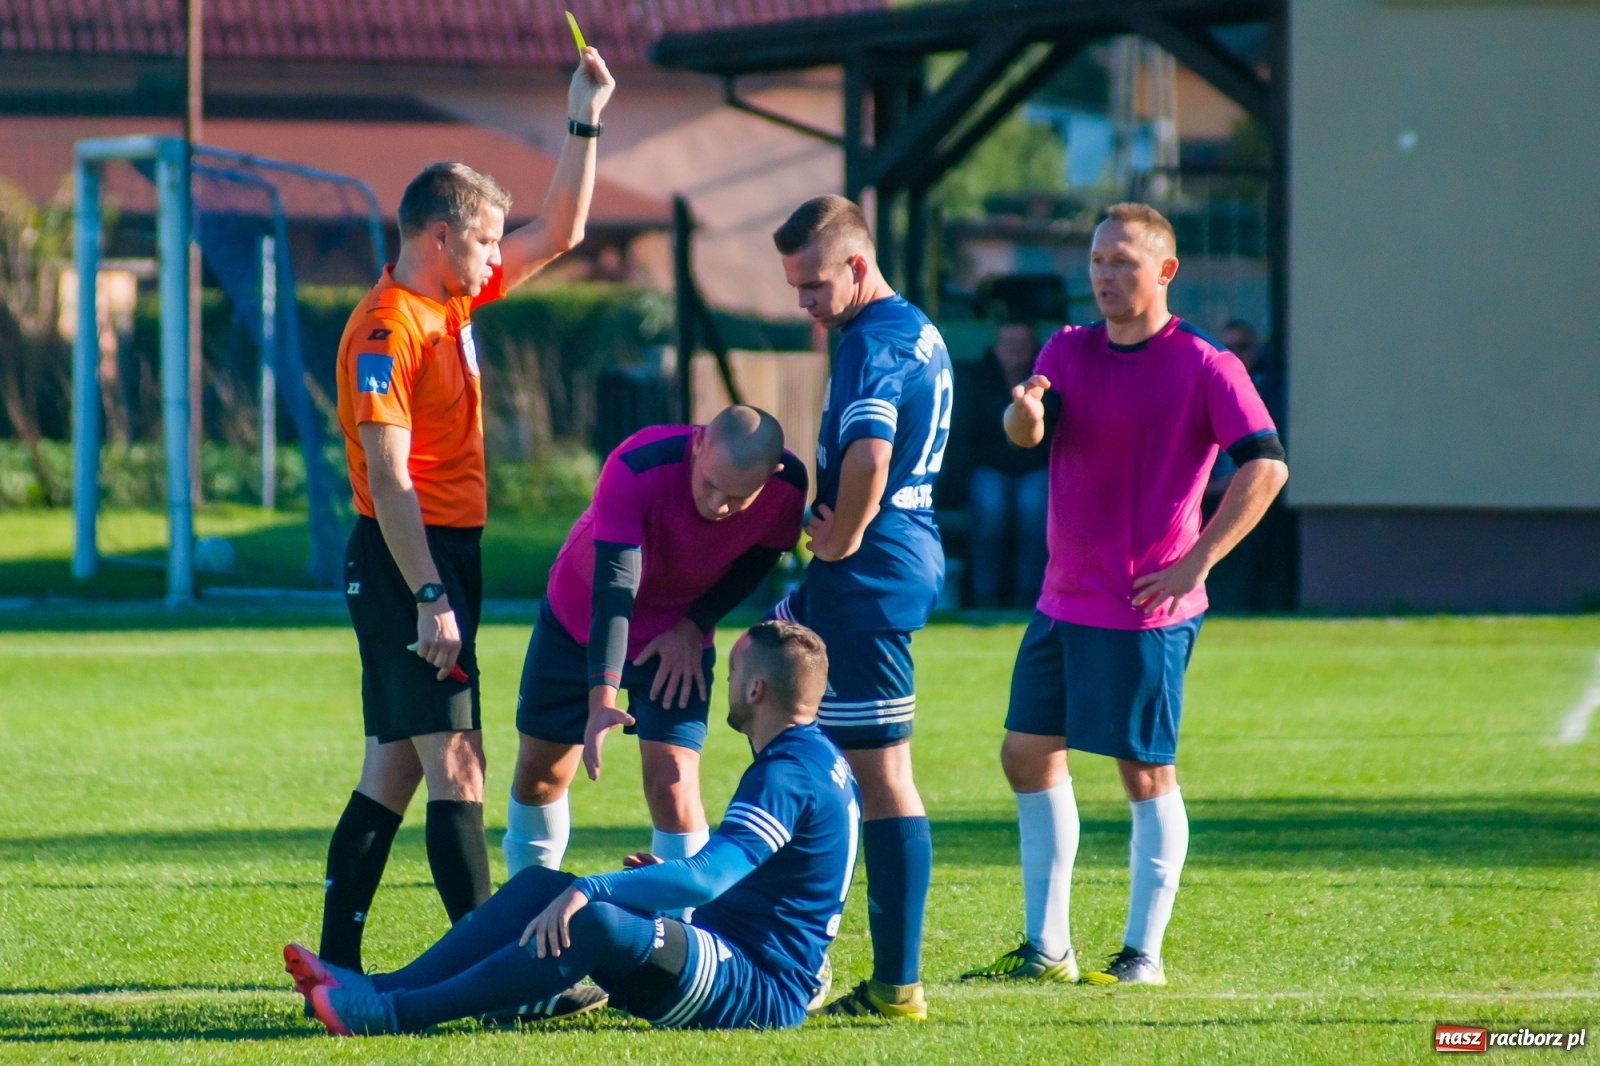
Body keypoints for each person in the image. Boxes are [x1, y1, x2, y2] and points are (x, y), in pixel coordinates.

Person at [319, 46, 615, 977]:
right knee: (459, 766)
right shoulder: (387, 330)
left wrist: (584, 114)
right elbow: (389, 480)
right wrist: (429, 596)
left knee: (394, 770)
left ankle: (335, 965)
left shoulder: (450, 303)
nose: (497, 257)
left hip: (439, 557)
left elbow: (561, 230)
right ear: (441, 236)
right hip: (408, 560)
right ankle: (495, 972)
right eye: (486, 241)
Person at [963, 203, 1287, 987]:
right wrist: (1021, 415)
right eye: (1097, 261)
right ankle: (1048, 950)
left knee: (1143, 774)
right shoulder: (1067, 349)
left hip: (1146, 610)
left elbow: (1267, 464)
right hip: (1061, 601)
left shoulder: (1206, 364)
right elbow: (1027, 434)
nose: (1105, 276)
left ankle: (1143, 956)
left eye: (1123, 262)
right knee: (1025, 755)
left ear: (1165, 271)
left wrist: (1198, 560)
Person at [284, 621, 860, 1037]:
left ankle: (393, 1015)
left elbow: (709, 878)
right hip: (735, 952)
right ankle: (378, 989)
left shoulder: (788, 772)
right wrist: (657, 879)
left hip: (761, 988)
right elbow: (772, 883)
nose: (725, 684)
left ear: (756, 690)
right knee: (542, 887)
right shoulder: (809, 758)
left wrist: (594, 887)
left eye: (732, 673)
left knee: (593, 917)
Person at [768, 194, 953, 1020]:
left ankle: (891, 983)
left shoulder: (872, 341)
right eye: (795, 287)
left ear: (856, 264)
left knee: (874, 777)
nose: (805, 302)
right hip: (881, 567)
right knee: (805, 742)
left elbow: (871, 455)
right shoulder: (911, 327)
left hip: (869, 573)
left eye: (814, 284)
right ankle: (803, 950)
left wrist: (840, 539)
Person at [503, 407, 806, 882]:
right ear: (698, 443)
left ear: (772, 475)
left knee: (673, 782)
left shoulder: (789, 487)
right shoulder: (637, 464)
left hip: (677, 636)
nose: (718, 505)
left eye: (737, 497)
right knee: (542, 775)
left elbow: (762, 557)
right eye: (710, 485)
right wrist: (602, 699)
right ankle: (528, 901)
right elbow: (615, 586)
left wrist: (693, 626)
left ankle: (684, 922)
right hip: (581, 618)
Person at [966, 318, 1054, 609]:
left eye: (1022, 345)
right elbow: (970, 436)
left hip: (1034, 469)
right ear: (996, 347)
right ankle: (984, 594)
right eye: (1009, 344)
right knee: (989, 505)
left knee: (1033, 506)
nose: (1016, 351)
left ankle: (1028, 593)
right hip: (991, 468)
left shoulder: (1046, 383)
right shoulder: (979, 380)